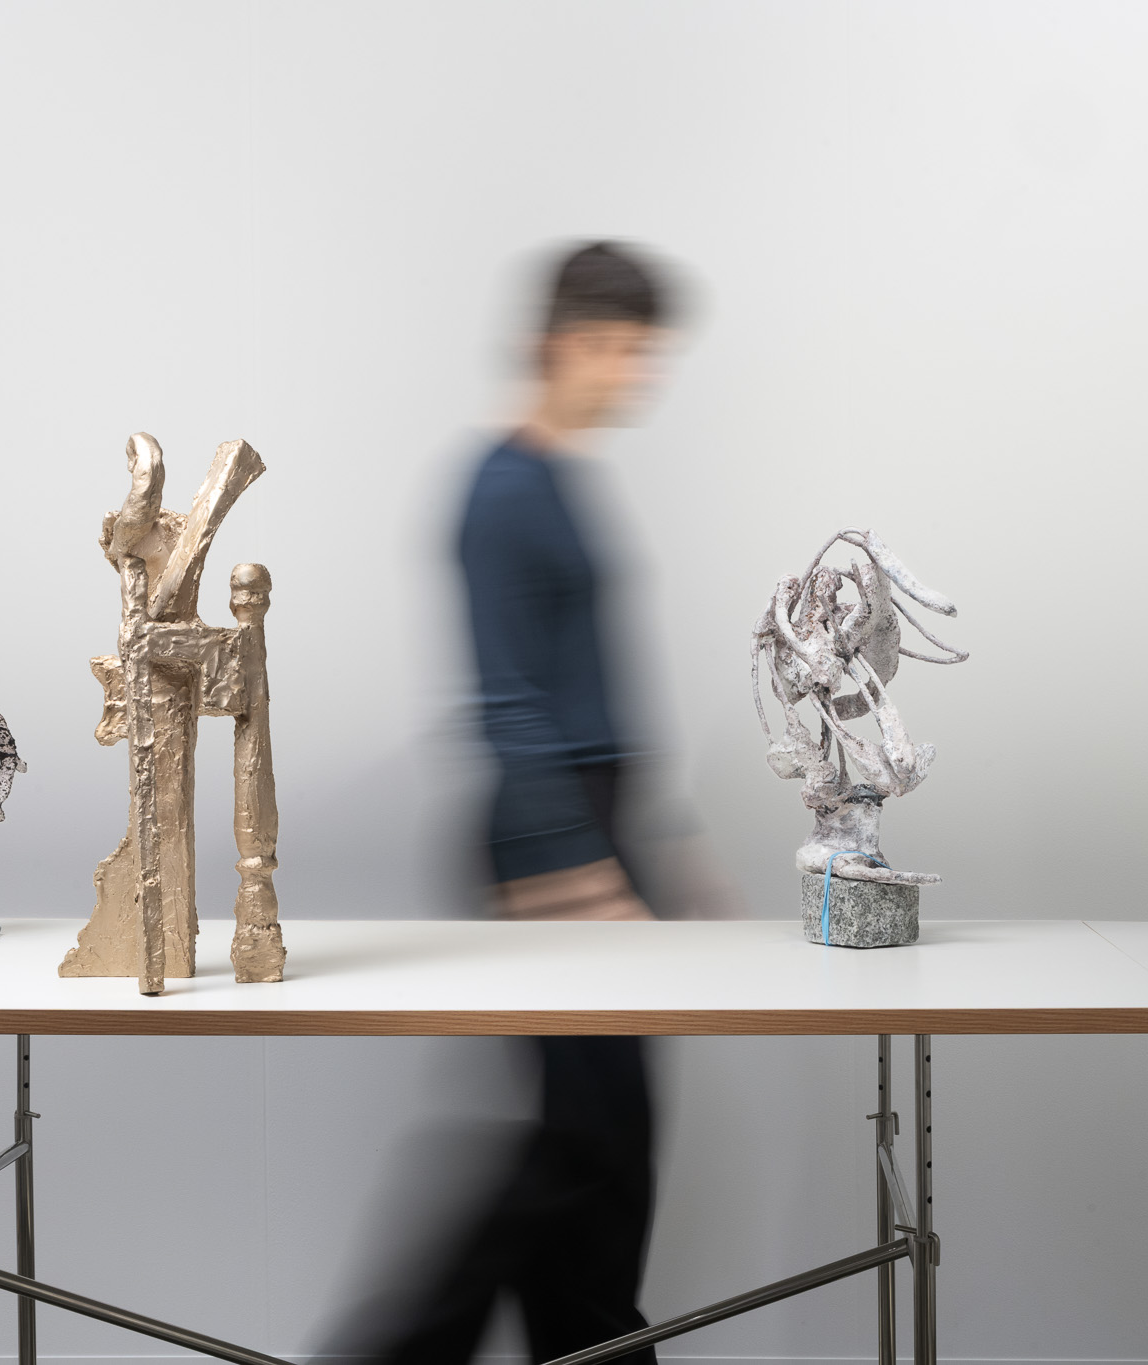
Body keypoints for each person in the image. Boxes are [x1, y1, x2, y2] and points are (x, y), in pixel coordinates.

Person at [363, 242, 675, 1365]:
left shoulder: (557, 476)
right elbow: (505, 695)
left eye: (645, 351)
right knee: (589, 1143)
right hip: (552, 831)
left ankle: (577, 1345)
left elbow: (584, 676)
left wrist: (661, 845)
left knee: (601, 1143)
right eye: (618, 348)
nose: (635, 373)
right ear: (556, 344)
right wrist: (575, 861)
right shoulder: (501, 488)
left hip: (595, 821)